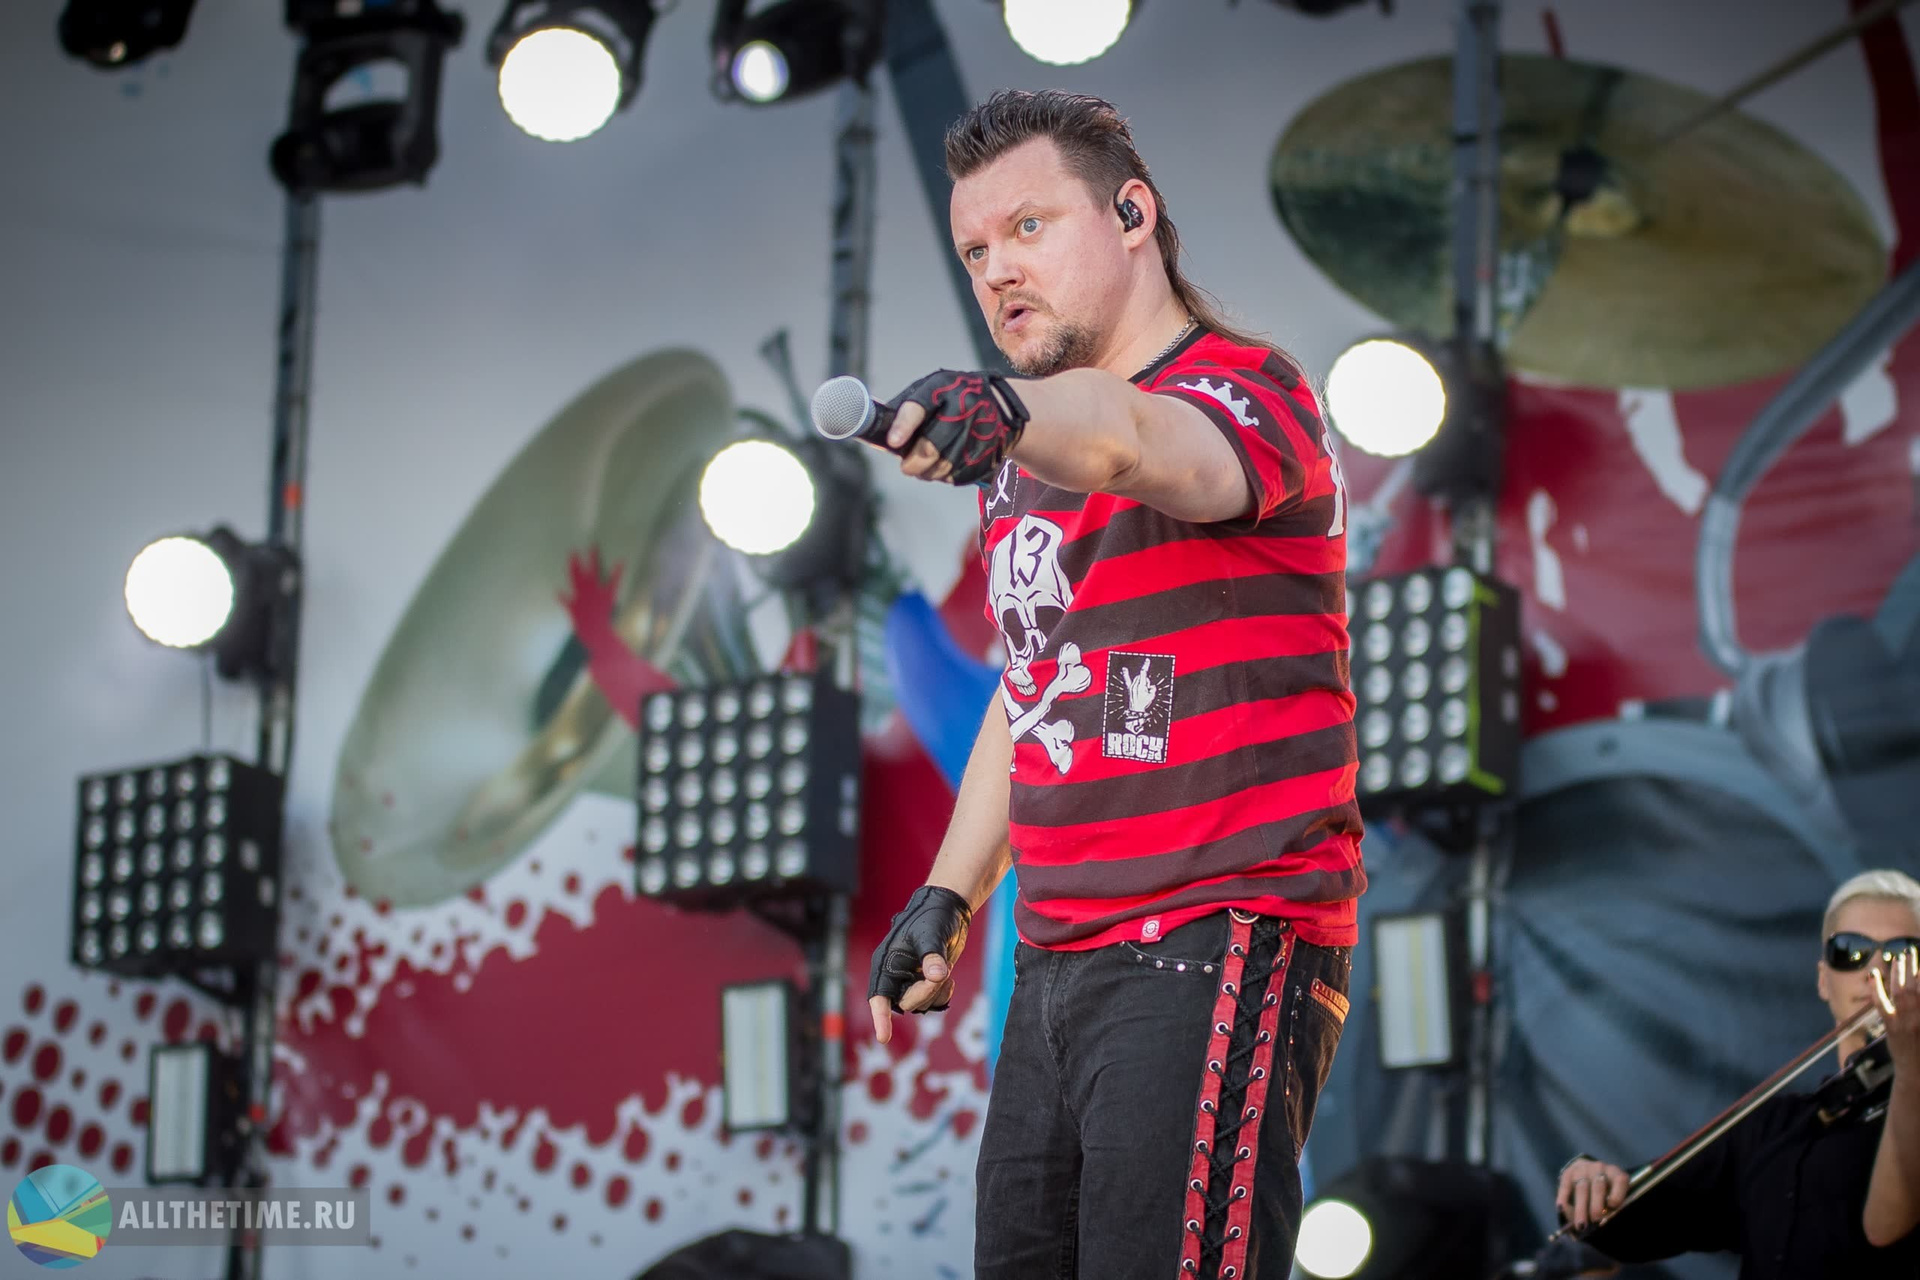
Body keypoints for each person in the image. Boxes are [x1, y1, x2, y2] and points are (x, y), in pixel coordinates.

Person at [858, 90, 1365, 1280]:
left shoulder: (1250, 387)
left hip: (1215, 928)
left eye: (1027, 227)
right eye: (974, 250)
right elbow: (1032, 680)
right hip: (1054, 960)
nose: (996, 269)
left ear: (1133, 214)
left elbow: (1134, 437)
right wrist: (947, 890)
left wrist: (1007, 407)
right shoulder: (1021, 468)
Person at [1555, 869, 1920, 1278]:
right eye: (1850, 950)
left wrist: (1911, 1070)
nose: (1876, 970)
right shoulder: (1773, 1128)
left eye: (1902, 954)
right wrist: (1590, 1185)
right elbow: (1645, 1224)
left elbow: (1885, 1232)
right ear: (1823, 980)